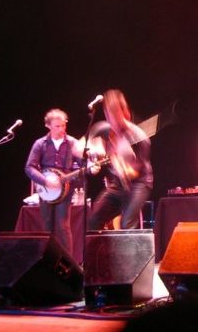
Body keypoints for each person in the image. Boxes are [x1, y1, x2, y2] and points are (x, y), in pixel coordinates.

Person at [87, 89, 153, 230]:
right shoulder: (103, 130)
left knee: (127, 223)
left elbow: (134, 173)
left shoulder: (138, 137)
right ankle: (101, 252)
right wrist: (93, 155)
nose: (114, 122)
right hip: (118, 185)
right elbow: (81, 145)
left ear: (126, 113)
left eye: (116, 117)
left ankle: (131, 252)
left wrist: (117, 161)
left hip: (139, 184)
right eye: (110, 118)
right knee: (93, 220)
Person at [24, 108, 81, 255]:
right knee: (47, 226)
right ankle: (48, 259)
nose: (61, 129)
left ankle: (69, 262)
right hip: (46, 191)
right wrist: (45, 181)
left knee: (63, 227)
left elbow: (84, 165)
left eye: (63, 125)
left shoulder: (73, 143)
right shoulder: (40, 144)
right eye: (57, 126)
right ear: (48, 126)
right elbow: (29, 168)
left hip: (66, 189)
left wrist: (91, 168)